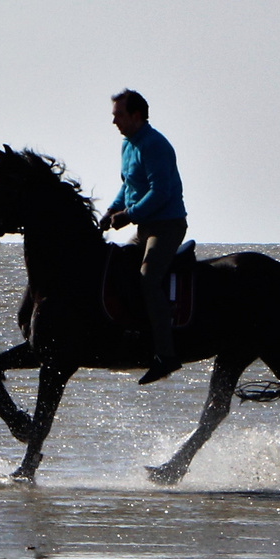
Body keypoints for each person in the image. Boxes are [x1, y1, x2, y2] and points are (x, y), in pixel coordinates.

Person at [98, 89, 187, 384]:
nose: (114, 122)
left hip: (166, 226)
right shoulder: (128, 145)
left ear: (136, 115)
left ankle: (166, 354)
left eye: (119, 115)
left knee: (148, 279)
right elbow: (128, 186)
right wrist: (112, 209)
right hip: (144, 227)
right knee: (118, 268)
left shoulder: (155, 145)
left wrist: (128, 215)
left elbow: (159, 193)